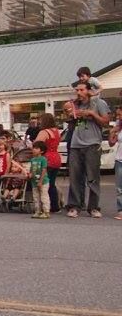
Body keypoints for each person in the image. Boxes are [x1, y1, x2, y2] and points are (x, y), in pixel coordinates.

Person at [65, 80, 110, 218]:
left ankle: (94, 207)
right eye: (77, 90)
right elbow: (69, 118)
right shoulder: (74, 104)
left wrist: (91, 114)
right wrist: (70, 113)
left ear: (89, 91)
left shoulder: (99, 103)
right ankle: (74, 206)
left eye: (82, 90)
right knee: (75, 177)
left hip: (92, 143)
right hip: (75, 144)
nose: (78, 93)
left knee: (93, 177)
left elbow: (106, 121)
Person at [32, 113, 62, 213]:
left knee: (45, 183)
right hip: (56, 158)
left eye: (40, 120)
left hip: (46, 158)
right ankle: (55, 205)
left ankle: (46, 206)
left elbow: (37, 144)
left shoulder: (44, 132)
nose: (39, 122)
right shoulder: (56, 131)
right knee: (52, 183)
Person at [29, 141, 50, 219]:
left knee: (44, 196)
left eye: (36, 148)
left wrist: (41, 181)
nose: (34, 149)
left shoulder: (43, 159)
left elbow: (44, 170)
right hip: (34, 182)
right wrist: (30, 174)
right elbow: (31, 170)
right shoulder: (32, 160)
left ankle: (46, 211)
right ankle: (37, 211)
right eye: (33, 148)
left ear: (42, 151)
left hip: (43, 181)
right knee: (36, 197)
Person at [110, 105, 122, 220]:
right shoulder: (118, 127)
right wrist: (112, 133)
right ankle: (121, 210)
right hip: (119, 159)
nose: (118, 117)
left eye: (120, 114)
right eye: (117, 115)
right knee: (119, 188)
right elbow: (112, 143)